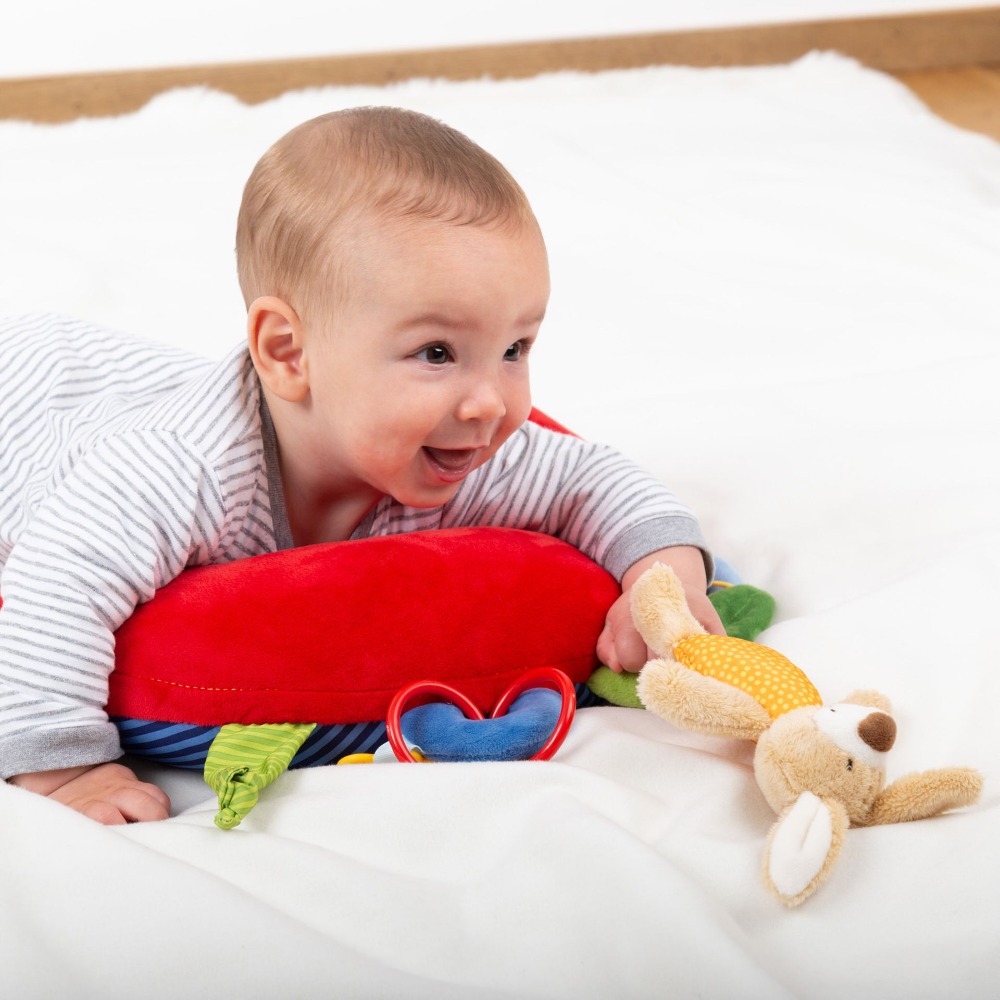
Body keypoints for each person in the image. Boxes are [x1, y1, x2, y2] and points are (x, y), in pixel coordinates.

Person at [0, 106, 723, 825]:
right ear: (288, 353)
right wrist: (66, 773)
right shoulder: (179, 470)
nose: (491, 403)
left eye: (515, 349)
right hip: (31, 396)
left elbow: (598, 481)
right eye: (436, 353)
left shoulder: (464, 449)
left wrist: (664, 583)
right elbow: (53, 587)